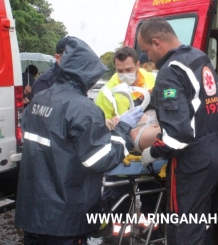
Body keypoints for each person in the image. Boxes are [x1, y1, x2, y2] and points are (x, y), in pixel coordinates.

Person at [15, 36, 143, 245]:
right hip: (65, 216)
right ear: (86, 73)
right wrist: (124, 129)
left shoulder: (40, 99)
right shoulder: (84, 108)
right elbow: (100, 159)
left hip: (33, 208)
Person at [137, 17, 218, 244]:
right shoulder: (199, 58)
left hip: (196, 161)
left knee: (185, 231)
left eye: (146, 50)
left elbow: (177, 137)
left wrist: (152, 152)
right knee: (204, 224)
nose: (147, 58)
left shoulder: (170, 70)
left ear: (157, 42)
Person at [95, 46, 155, 129]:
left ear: (137, 65)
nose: (125, 74)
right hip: (124, 136)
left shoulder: (154, 79)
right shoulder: (107, 91)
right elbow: (99, 124)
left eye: (128, 70)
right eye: (120, 71)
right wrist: (111, 123)